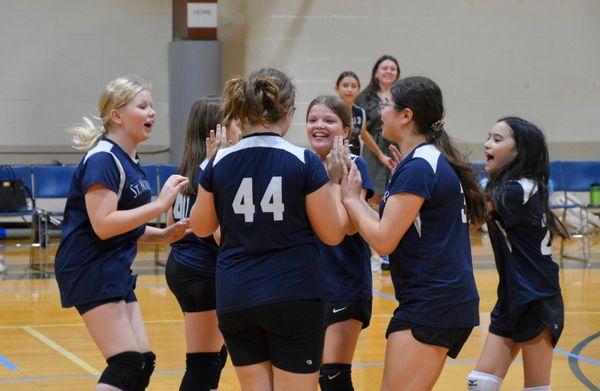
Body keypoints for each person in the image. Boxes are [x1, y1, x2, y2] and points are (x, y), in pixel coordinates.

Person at [190, 68, 348, 391]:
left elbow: (202, 227)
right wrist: (334, 185)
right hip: (294, 295)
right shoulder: (304, 161)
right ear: (288, 113)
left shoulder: (218, 162)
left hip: (236, 296)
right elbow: (333, 234)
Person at [340, 76, 486, 390]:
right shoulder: (423, 162)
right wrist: (360, 201)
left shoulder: (419, 166)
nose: (380, 111)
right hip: (437, 301)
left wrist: (351, 200)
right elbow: (387, 224)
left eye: (387, 105)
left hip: (433, 303)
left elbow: (382, 241)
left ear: (407, 116)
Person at [54, 76, 190, 391]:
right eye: (142, 106)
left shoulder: (128, 159)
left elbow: (124, 223)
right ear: (116, 115)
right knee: (126, 363)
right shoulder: (104, 158)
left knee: (143, 361)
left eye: (152, 106)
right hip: (89, 268)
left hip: (110, 265)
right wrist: (159, 205)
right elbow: (103, 224)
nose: (152, 113)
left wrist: (163, 235)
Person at [467, 117, 568, 391]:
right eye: (488, 137)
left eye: (498, 139)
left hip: (537, 297)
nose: (487, 144)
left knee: (536, 388)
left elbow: (466, 219)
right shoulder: (503, 186)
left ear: (520, 150)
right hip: (511, 296)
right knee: (479, 384)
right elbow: (466, 227)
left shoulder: (519, 189)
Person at [165, 97, 241, 390]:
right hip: (200, 274)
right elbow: (221, 235)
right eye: (234, 120)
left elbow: (171, 225)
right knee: (203, 364)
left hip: (185, 267)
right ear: (218, 131)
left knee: (214, 357)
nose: (239, 126)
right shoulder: (214, 174)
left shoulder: (186, 171)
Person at [306, 95, 374, 391]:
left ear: (346, 131)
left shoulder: (354, 164)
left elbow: (346, 227)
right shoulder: (301, 163)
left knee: (333, 374)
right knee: (307, 373)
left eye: (329, 120)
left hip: (345, 282)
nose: (319, 125)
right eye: (313, 120)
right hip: (307, 286)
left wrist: (334, 180)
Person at [354, 55, 400, 205]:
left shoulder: (401, 96)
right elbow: (362, 130)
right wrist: (380, 155)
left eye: (392, 69)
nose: (388, 71)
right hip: (373, 149)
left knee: (396, 192)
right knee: (373, 194)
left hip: (397, 148)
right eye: (384, 68)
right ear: (376, 73)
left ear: (397, 74)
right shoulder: (363, 97)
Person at [334, 71, 366, 157]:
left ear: (358, 90)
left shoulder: (360, 112)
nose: (349, 90)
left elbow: (364, 135)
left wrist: (381, 155)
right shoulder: (331, 111)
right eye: (345, 86)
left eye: (354, 86)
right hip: (335, 158)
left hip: (355, 158)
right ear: (337, 88)